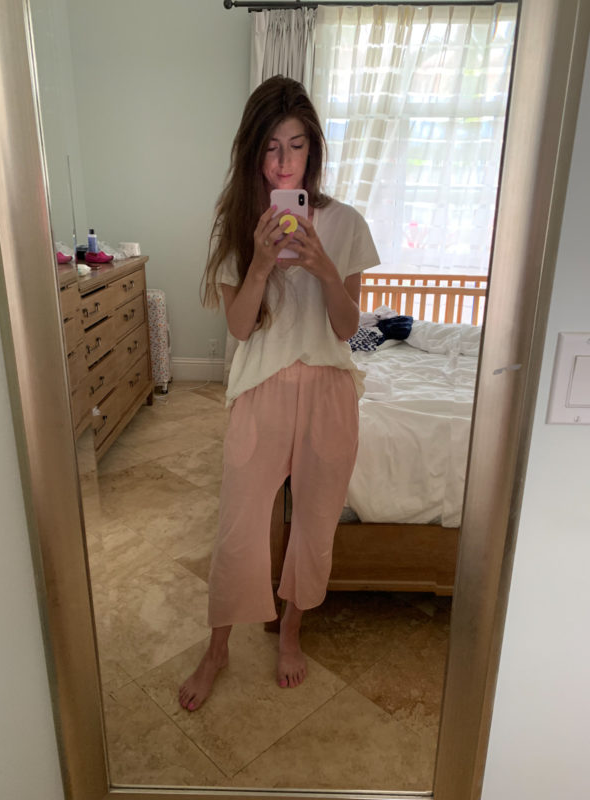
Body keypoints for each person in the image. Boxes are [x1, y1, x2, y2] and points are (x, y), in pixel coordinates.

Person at [179, 76, 379, 711]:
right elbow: (239, 329)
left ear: (312, 153)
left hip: (328, 389)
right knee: (238, 524)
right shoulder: (240, 224)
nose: (284, 161)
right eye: (271, 148)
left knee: (315, 524)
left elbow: (349, 329)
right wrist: (262, 261)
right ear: (253, 155)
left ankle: (290, 630)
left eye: (296, 146)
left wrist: (322, 266)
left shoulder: (345, 223)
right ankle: (217, 649)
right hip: (261, 388)